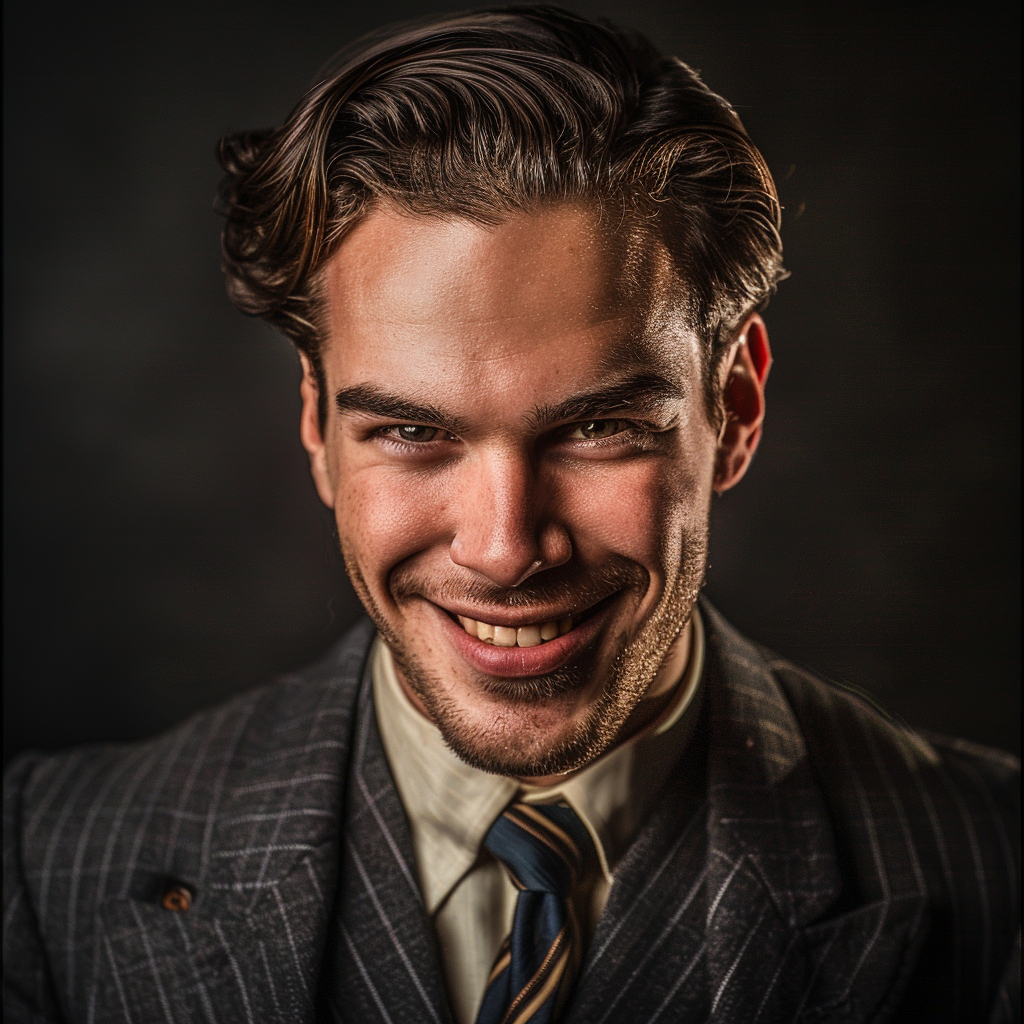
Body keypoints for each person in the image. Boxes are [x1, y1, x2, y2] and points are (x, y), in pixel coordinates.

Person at [4, 7, 1018, 1023]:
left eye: (599, 427)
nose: (503, 550)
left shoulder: (998, 874)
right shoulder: (44, 867)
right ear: (316, 423)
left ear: (734, 406)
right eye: (410, 432)